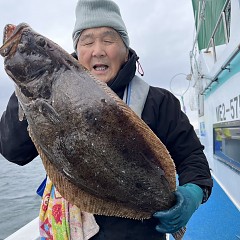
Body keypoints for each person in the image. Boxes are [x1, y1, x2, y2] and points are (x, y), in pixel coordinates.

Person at [0, 0, 213, 239]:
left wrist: (193, 193)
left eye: (109, 40)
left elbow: (192, 158)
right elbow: (13, 152)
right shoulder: (36, 95)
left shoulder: (159, 101)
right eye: (87, 41)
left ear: (125, 50)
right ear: (76, 52)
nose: (97, 50)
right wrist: (26, 87)